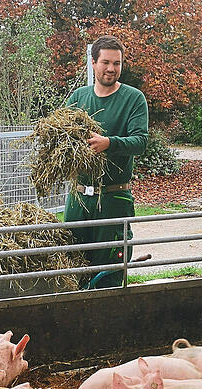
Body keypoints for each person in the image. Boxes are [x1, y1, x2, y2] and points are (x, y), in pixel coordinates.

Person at [64, 35, 149, 289]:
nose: (111, 68)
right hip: (78, 199)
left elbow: (140, 142)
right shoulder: (78, 98)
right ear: (93, 63)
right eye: (106, 62)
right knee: (71, 266)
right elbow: (63, 138)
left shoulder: (133, 98)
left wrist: (109, 143)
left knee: (109, 272)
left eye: (117, 63)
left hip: (113, 198)